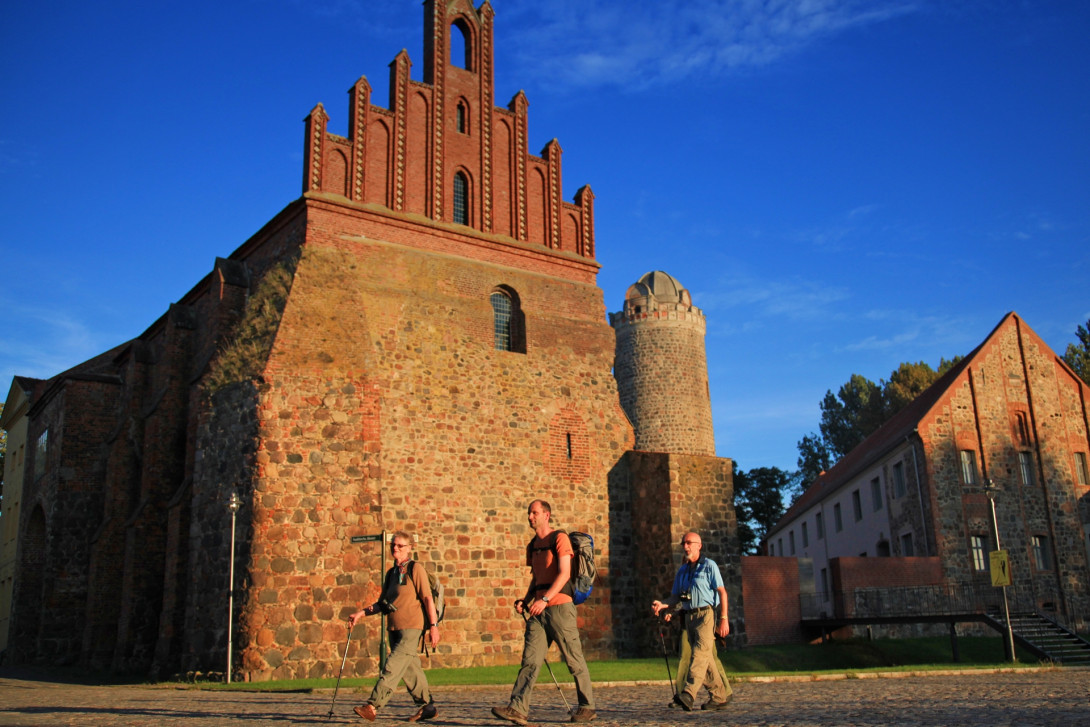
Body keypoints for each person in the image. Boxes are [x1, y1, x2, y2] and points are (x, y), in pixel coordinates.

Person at [492, 500, 597, 725]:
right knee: (530, 660)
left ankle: (587, 706)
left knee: (573, 658)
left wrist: (546, 599)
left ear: (546, 515)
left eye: (534, 512)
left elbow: (564, 574)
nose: (530, 516)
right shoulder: (533, 545)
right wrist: (527, 599)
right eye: (529, 513)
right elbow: (536, 579)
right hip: (539, 611)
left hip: (560, 607)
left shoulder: (559, 539)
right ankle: (518, 708)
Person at [350, 531, 440, 723]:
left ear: (409, 548)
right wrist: (360, 613)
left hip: (411, 628)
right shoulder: (392, 573)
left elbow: (427, 598)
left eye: (400, 545)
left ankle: (373, 706)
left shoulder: (415, 569)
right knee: (410, 669)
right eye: (393, 545)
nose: (395, 548)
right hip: (394, 629)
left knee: (392, 666)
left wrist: (433, 626)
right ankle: (428, 706)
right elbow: (383, 603)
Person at [651, 531, 733, 711]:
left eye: (688, 543)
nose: (685, 546)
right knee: (707, 659)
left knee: (698, 654)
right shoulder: (682, 570)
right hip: (689, 617)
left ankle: (688, 694)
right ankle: (719, 696)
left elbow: (722, 592)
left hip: (705, 615)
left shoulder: (709, 566)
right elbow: (676, 597)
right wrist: (663, 604)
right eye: (683, 544)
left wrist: (724, 618)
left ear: (699, 545)